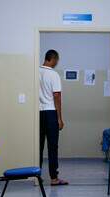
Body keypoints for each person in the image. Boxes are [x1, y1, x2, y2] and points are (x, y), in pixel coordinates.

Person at [39, 49, 69, 186]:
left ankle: (37, 176)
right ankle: (54, 178)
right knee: (52, 147)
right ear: (54, 59)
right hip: (51, 113)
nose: (57, 63)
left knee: (38, 146)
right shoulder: (53, 74)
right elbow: (57, 96)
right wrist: (60, 118)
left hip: (38, 113)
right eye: (57, 60)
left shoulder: (35, 72)